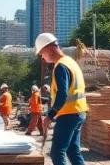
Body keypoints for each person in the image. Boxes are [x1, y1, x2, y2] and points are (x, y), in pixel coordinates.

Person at [36, 32, 88, 165]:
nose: (42, 57)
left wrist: (50, 115)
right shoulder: (71, 62)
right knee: (72, 150)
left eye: (42, 53)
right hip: (79, 113)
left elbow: (63, 94)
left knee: (57, 152)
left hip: (68, 114)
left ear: (49, 48)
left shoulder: (60, 66)